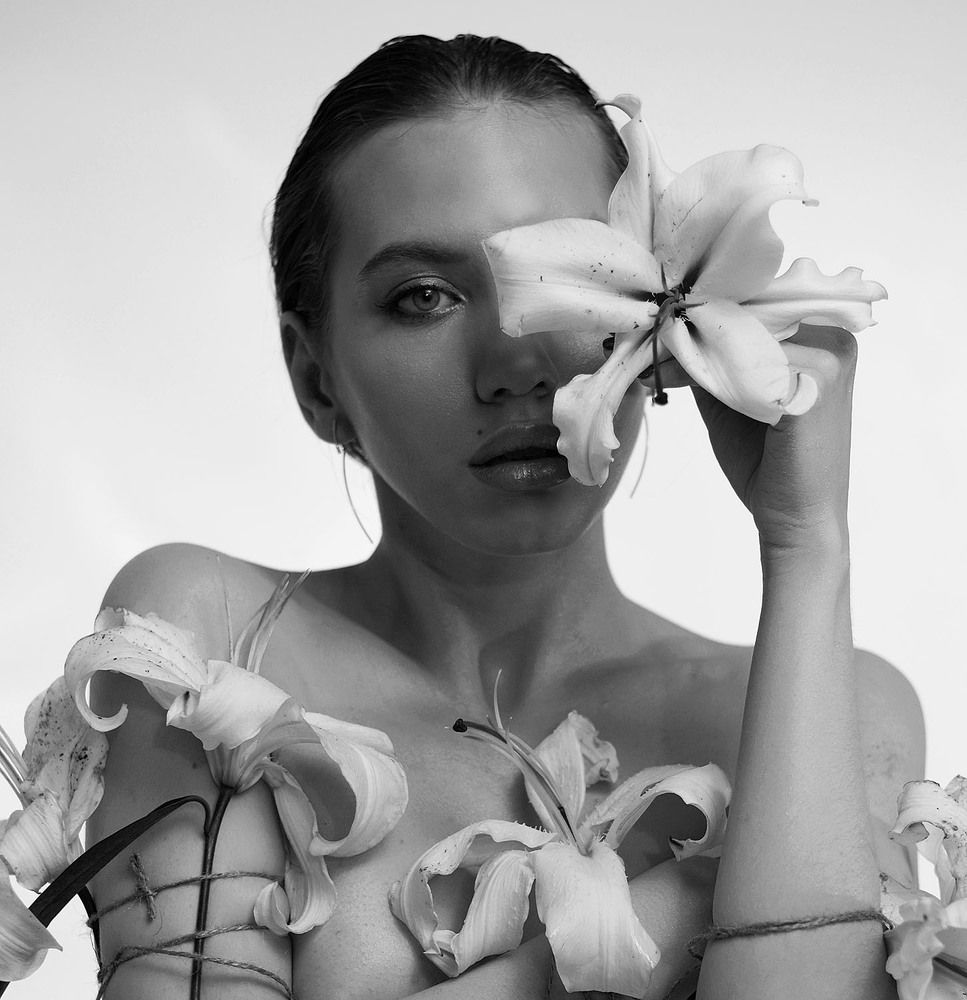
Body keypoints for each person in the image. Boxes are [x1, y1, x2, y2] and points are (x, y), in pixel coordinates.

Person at [85, 33, 924, 999]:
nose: (517, 365)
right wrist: (685, 900)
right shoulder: (214, 644)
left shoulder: (843, 705)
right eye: (424, 297)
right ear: (316, 378)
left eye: (576, 276)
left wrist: (806, 547)